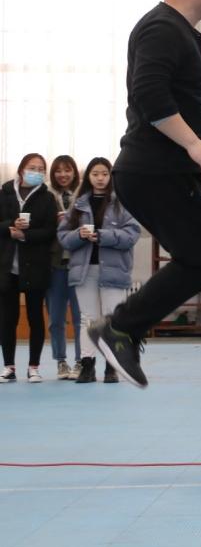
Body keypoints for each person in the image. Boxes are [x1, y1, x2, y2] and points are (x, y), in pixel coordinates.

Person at [88, 0, 201, 388]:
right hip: (155, 169)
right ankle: (120, 328)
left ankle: (122, 328)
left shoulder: (179, 30)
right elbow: (148, 93)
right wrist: (194, 144)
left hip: (162, 171)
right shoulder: (162, 28)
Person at [58, 157, 141, 384]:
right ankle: (87, 365)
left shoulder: (122, 203)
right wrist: (79, 235)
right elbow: (63, 237)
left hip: (114, 272)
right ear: (88, 177)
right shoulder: (78, 205)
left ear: (110, 176)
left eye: (104, 174)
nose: (100, 178)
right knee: (88, 320)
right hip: (84, 272)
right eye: (95, 174)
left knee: (111, 320)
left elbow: (132, 234)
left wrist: (103, 236)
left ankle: (111, 367)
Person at [0, 154, 58, 383]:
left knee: (35, 317)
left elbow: (50, 231)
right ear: (21, 169)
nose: (37, 172)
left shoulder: (48, 198)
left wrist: (26, 235)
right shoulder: (4, 193)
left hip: (36, 266)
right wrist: (10, 227)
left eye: (41, 169)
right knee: (7, 319)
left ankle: (34, 367)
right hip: (7, 267)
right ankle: (9, 366)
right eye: (32, 167)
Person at [47, 154, 82, 380]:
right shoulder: (46, 195)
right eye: (58, 170)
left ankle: (80, 361)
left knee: (81, 318)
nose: (63, 174)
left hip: (79, 265)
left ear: (74, 172)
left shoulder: (84, 194)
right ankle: (61, 361)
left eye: (67, 170)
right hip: (55, 265)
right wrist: (55, 222)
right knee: (56, 318)